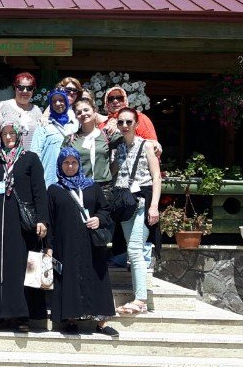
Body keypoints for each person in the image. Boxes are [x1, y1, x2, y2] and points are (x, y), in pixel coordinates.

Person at [0, 118, 49, 332]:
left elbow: (39, 191)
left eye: (12, 133)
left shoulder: (30, 159)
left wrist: (42, 219)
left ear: (18, 136)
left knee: (21, 267)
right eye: (5, 134)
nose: (8, 137)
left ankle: (21, 316)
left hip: (21, 225)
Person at [46, 147, 118, 336]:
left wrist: (99, 219)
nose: (70, 166)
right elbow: (50, 221)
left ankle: (101, 323)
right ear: (60, 165)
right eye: (66, 163)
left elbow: (105, 210)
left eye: (74, 162)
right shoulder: (54, 190)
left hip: (91, 244)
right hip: (66, 244)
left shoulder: (92, 187)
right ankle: (71, 319)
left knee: (97, 278)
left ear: (79, 164)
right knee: (69, 278)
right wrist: (49, 247)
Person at [113, 107, 161, 316]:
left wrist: (154, 206)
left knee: (134, 249)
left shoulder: (147, 146)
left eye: (128, 122)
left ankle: (140, 299)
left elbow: (156, 176)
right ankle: (138, 295)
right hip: (125, 203)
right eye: (121, 122)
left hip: (142, 201)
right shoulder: (117, 147)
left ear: (136, 123)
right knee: (133, 251)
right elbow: (114, 173)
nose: (124, 126)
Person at [31, 88, 79, 187]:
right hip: (49, 178)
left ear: (66, 102)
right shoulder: (44, 125)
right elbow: (35, 154)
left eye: (61, 100)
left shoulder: (75, 124)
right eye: (54, 101)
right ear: (51, 105)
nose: (58, 103)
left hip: (71, 178)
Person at [68, 97, 120, 187]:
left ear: (94, 110)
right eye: (79, 112)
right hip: (80, 186)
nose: (83, 114)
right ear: (76, 116)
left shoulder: (107, 135)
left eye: (86, 110)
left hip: (104, 187)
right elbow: (63, 163)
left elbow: (127, 144)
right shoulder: (70, 139)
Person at [0, 72, 44, 146]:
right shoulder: (3, 106)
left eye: (29, 88)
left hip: (31, 155)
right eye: (21, 87)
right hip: (7, 155)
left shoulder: (36, 110)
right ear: (15, 88)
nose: (25, 91)